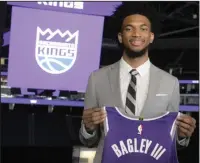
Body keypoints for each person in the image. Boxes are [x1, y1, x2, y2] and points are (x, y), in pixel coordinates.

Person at [79, 2, 196, 163]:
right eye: (129, 28)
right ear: (120, 36)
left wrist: (183, 136)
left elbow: (170, 140)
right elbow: (88, 140)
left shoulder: (170, 83)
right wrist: (88, 128)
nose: (136, 34)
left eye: (143, 28)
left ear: (151, 36)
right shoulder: (97, 79)